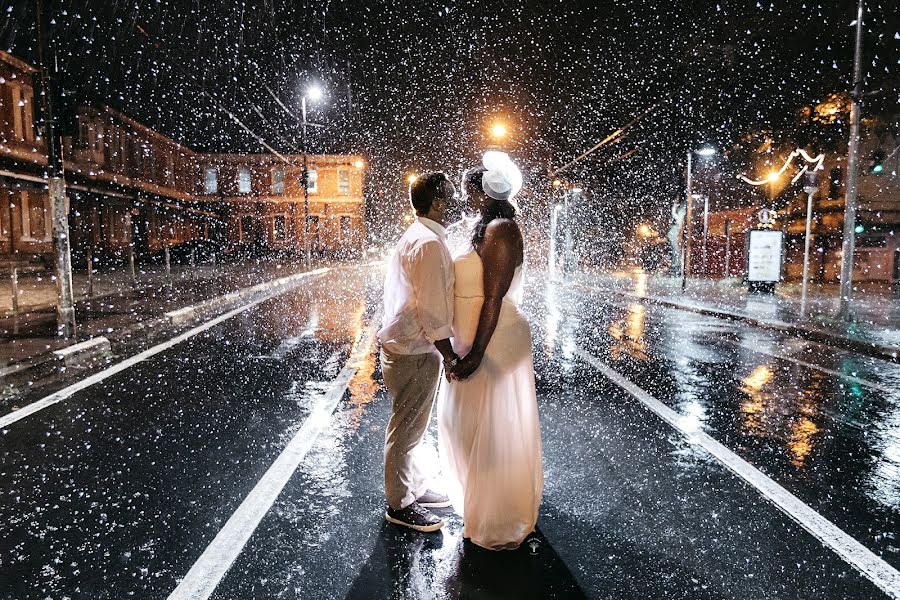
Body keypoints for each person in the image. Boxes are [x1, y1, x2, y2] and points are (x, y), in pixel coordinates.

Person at [438, 152, 544, 550]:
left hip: (496, 340)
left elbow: (494, 298)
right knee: (464, 424)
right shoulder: (479, 227)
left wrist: (477, 354)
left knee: (494, 431)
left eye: (470, 192)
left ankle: (499, 516)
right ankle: (477, 500)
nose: (466, 199)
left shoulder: (502, 230)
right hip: (472, 339)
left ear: (485, 193)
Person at [378, 171, 461, 533]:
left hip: (409, 346)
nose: (457, 201)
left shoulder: (421, 237)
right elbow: (432, 312)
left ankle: (413, 488)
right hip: (414, 349)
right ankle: (400, 505)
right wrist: (451, 356)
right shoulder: (427, 243)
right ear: (437, 202)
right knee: (406, 430)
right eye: (451, 195)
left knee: (412, 428)